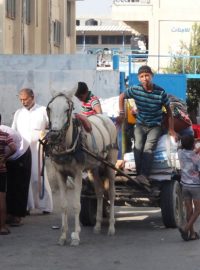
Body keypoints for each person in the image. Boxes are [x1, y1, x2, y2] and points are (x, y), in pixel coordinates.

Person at [117, 65, 177, 186]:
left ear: (152, 76)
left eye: (147, 76)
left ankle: (144, 175)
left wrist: (171, 129)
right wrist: (122, 113)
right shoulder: (135, 89)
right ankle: (140, 176)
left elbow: (169, 112)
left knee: (148, 148)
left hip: (155, 125)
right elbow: (122, 96)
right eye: (142, 76)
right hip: (140, 124)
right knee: (138, 147)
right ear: (139, 78)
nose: (145, 78)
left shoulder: (160, 92)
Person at [12, 88, 53, 214]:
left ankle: (45, 206)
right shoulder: (18, 113)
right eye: (21, 100)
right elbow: (14, 130)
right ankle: (27, 206)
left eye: (25, 99)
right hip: (23, 150)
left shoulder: (42, 110)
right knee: (25, 177)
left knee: (38, 176)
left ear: (32, 97)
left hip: (38, 149)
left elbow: (51, 127)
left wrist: (46, 138)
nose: (23, 102)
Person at [0, 114, 31, 226]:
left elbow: (13, 148)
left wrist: (5, 158)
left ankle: (17, 215)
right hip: (8, 156)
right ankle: (8, 214)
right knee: (7, 187)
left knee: (19, 185)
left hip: (21, 153)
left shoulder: (5, 134)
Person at [178, 135, 200, 241]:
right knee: (198, 210)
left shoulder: (180, 153)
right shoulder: (197, 158)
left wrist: (194, 143)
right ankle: (186, 229)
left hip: (184, 186)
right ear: (193, 144)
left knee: (189, 210)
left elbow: (188, 148)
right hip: (195, 186)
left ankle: (192, 234)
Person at [0, 129, 16, 235]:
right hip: (1, 170)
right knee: (1, 198)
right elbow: (14, 148)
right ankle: (2, 227)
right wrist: (5, 157)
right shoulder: (5, 135)